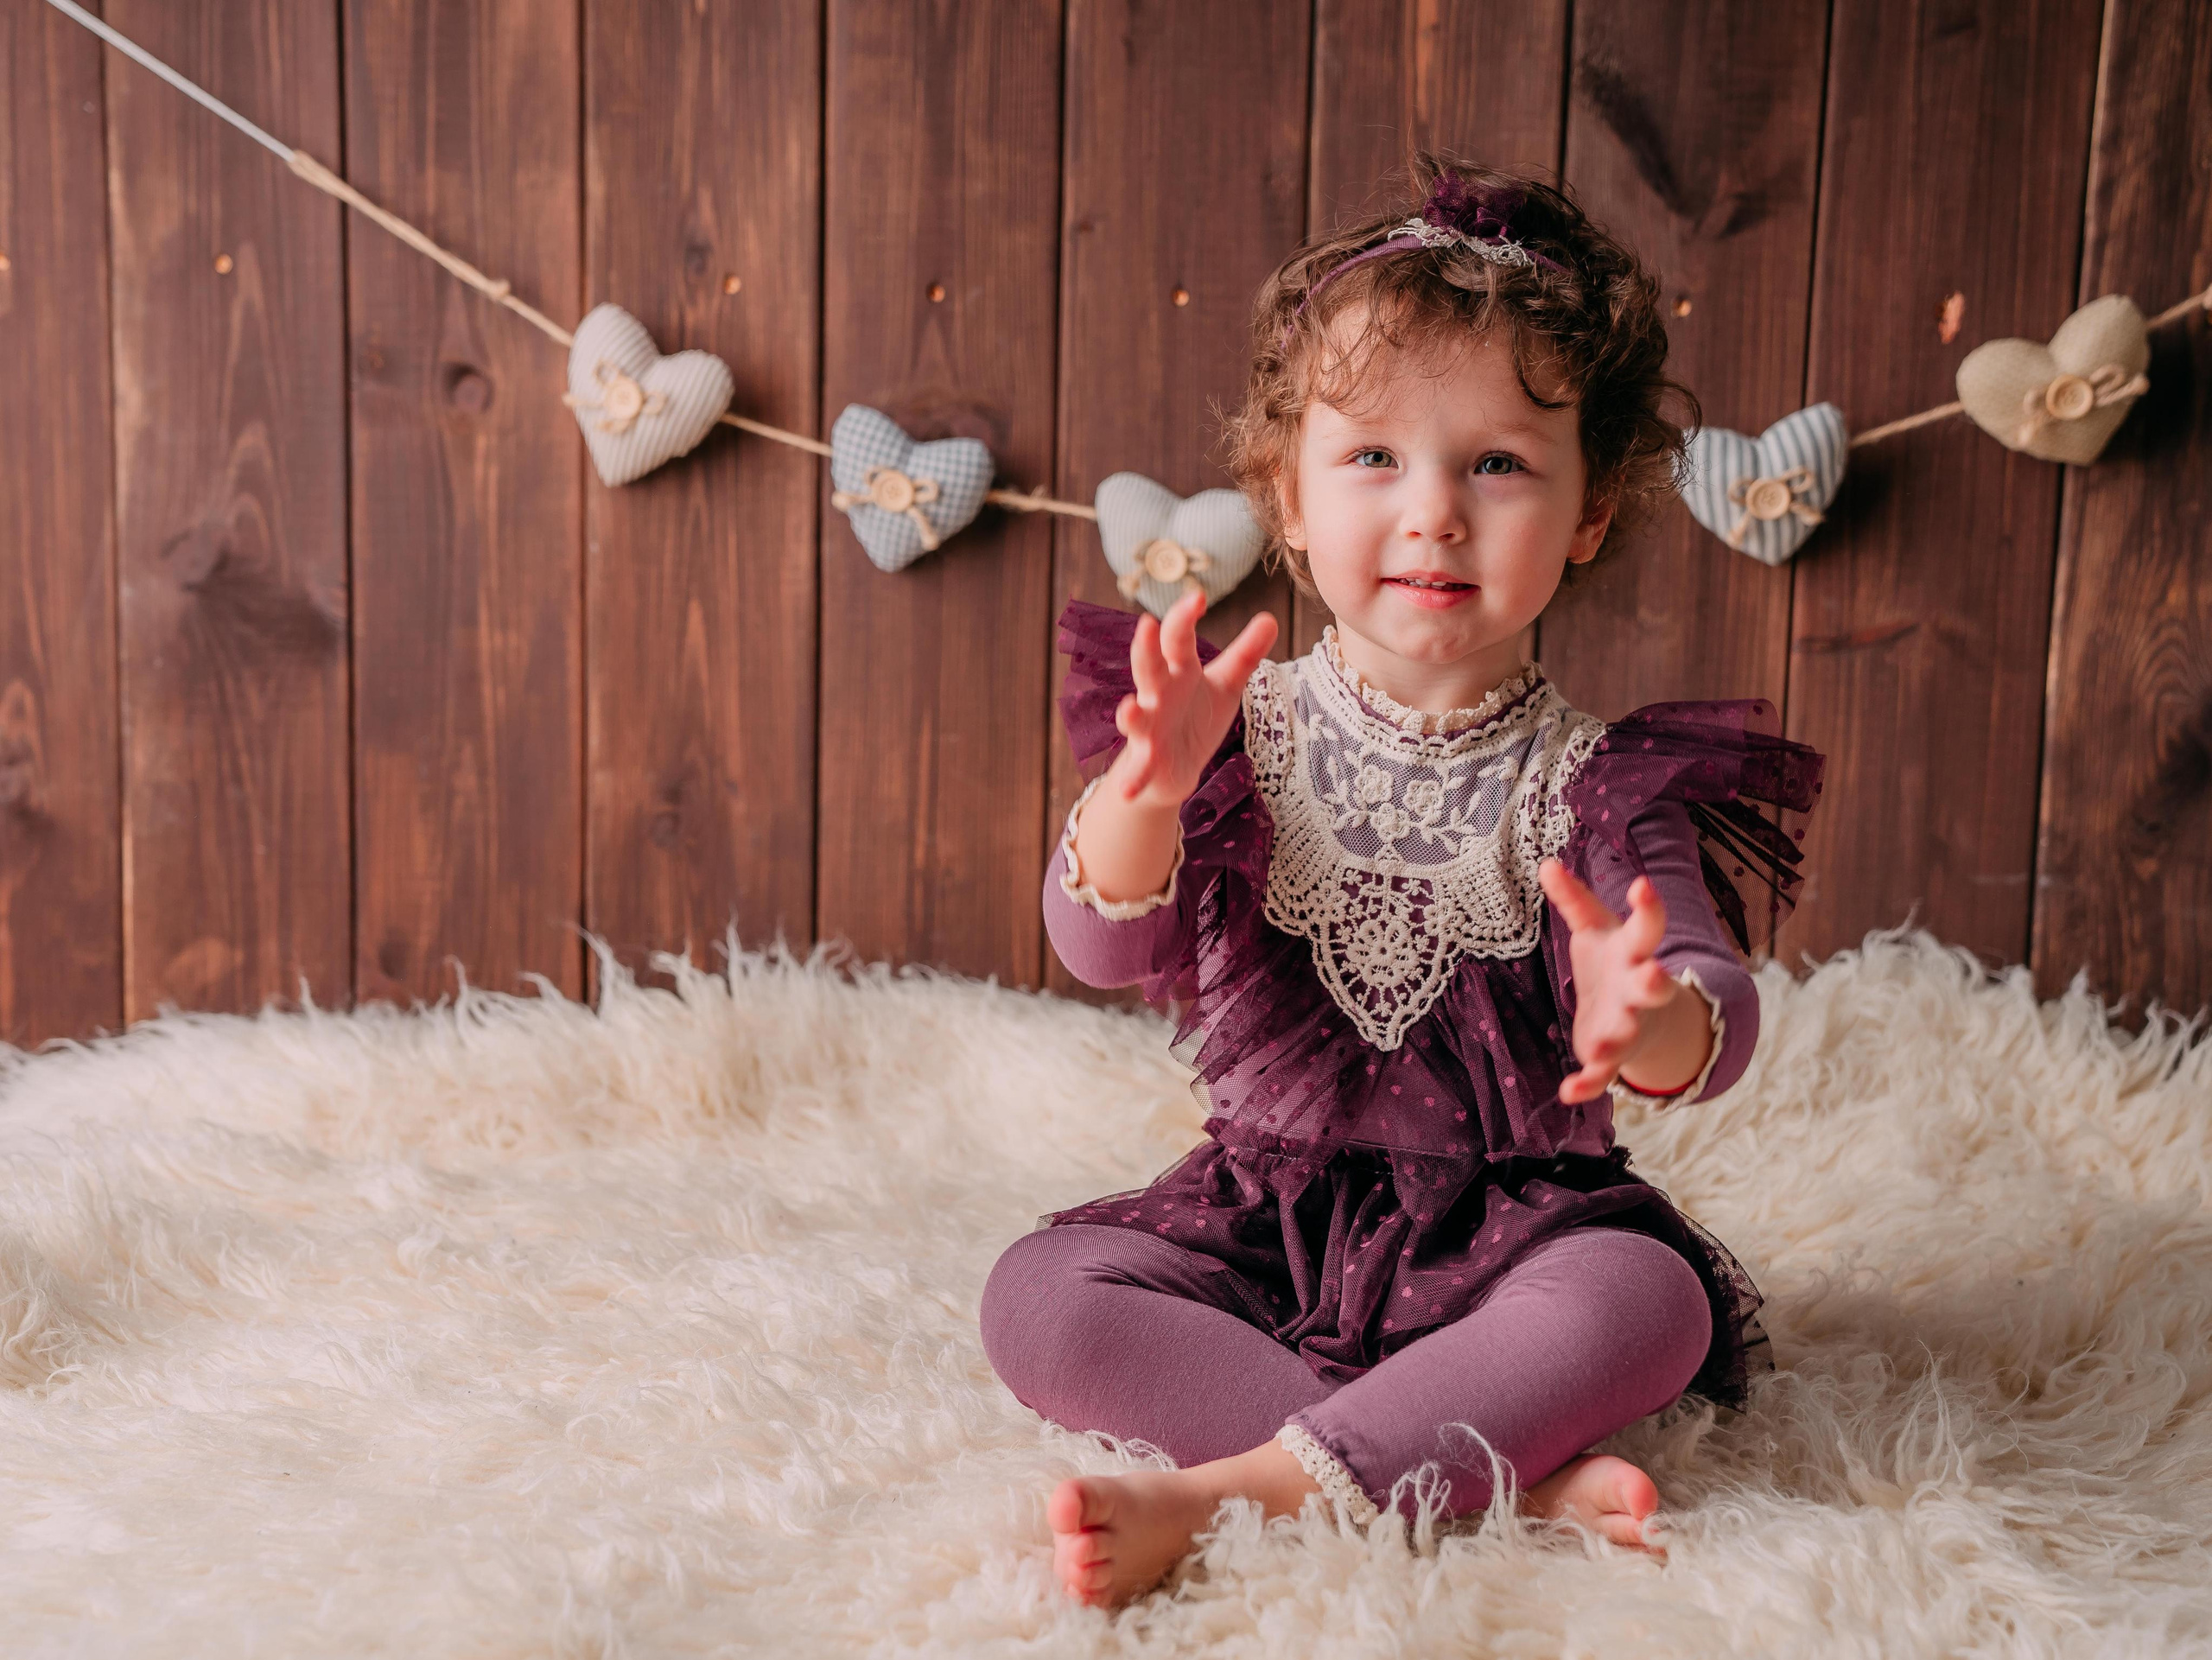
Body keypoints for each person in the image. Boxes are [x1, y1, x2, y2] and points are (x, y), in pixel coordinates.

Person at [979, 156, 1827, 1609]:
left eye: (1498, 464)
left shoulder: (1600, 783)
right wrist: (1146, 795)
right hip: (1269, 1219)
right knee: (1037, 1298)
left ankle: (1235, 1494)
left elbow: (1711, 1003)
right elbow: (1095, 945)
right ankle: (1497, 1475)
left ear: (1590, 512)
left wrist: (1652, 1017)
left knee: (1649, 1303)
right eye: (1374, 456)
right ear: (1288, 501)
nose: (1434, 512)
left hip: (1511, 1235)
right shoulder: (1229, 732)